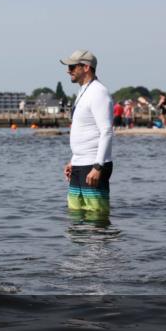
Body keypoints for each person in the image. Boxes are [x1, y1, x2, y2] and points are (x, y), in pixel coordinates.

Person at [60, 50, 113, 219]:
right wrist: (73, 160)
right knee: (75, 217)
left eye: (72, 66)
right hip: (79, 163)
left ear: (86, 67)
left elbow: (106, 131)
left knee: (96, 217)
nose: (68, 70)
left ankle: (100, 246)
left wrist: (98, 166)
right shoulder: (83, 91)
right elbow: (85, 129)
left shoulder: (99, 92)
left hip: (93, 165)